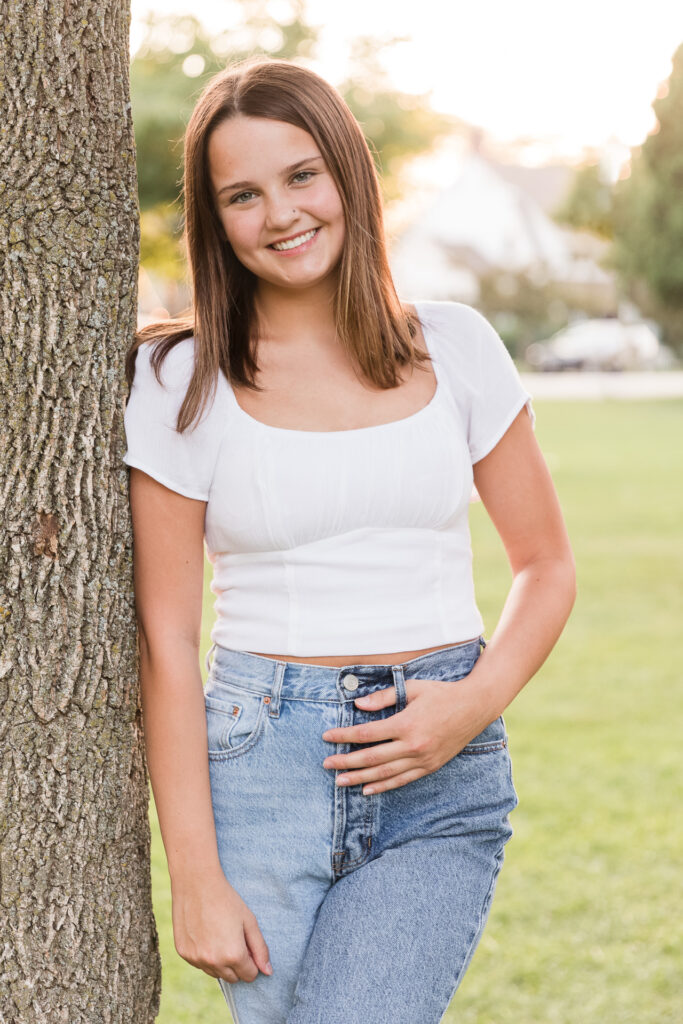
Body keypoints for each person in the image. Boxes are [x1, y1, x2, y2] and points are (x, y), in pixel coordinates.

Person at [122, 55, 576, 1024]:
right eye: (240, 195)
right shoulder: (179, 379)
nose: (279, 212)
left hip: (435, 774)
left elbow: (545, 565)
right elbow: (164, 640)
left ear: (346, 172)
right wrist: (192, 876)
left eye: (299, 175)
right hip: (261, 764)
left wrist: (469, 703)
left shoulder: (453, 346)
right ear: (214, 220)